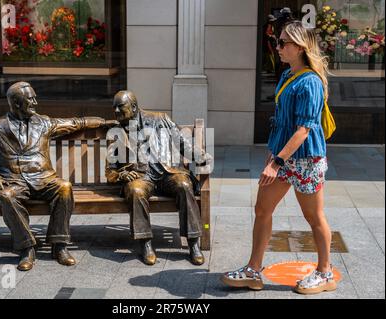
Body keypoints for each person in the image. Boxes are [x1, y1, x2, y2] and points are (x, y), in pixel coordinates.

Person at [221, 21, 337, 295]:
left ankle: (325, 273)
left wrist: (276, 163)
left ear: (300, 47)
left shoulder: (310, 82)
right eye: (278, 41)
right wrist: (272, 154)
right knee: (262, 209)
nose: (278, 47)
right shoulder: (287, 76)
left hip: (306, 159)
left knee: (314, 217)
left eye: (283, 43)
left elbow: (303, 130)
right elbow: (283, 123)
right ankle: (253, 269)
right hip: (284, 157)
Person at [0, 81, 116, 271]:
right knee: (6, 196)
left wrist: (105, 123)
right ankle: (27, 248)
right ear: (16, 103)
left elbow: (76, 123)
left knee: (64, 187)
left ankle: (59, 246)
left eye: (34, 98)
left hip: (44, 179)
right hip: (14, 181)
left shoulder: (44, 123)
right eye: (30, 99)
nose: (35, 102)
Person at [105, 91, 213, 266]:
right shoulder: (115, 132)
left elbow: (181, 142)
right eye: (114, 107)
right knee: (136, 190)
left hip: (167, 173)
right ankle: (146, 244)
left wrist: (200, 156)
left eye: (120, 107)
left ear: (133, 107)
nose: (116, 111)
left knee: (184, 185)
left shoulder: (160, 118)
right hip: (141, 177)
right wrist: (121, 175)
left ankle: (193, 244)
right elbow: (110, 171)